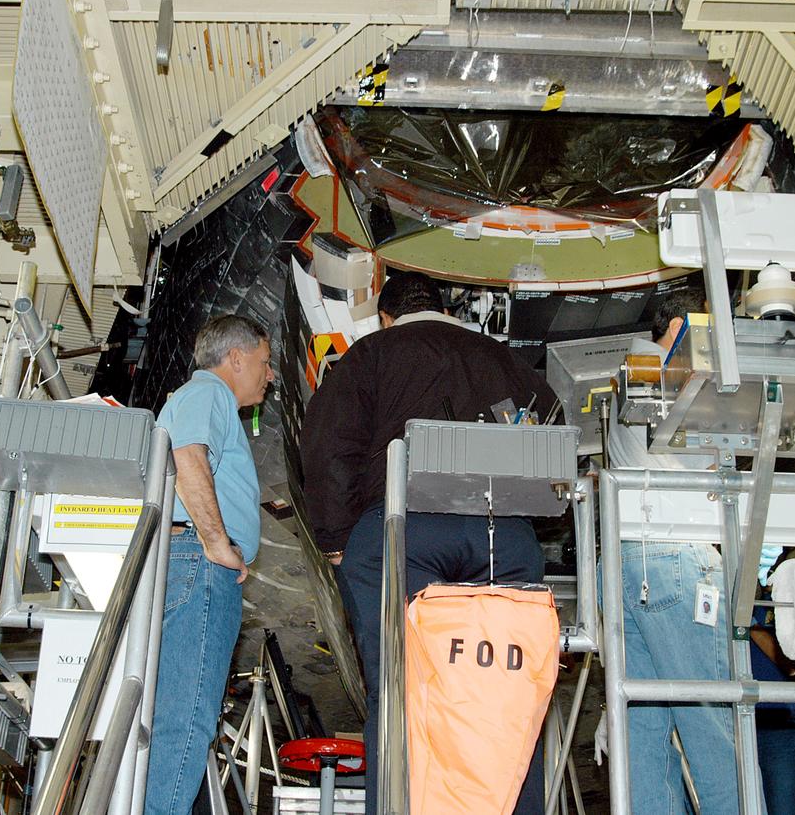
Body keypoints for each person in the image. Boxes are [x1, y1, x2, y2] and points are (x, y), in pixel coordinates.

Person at [300, 271, 555, 815]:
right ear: (442, 308)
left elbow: (328, 444)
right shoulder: (500, 357)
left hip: (403, 529)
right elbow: (553, 439)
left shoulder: (369, 355)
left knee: (399, 692)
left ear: (384, 316)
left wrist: (339, 541)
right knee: (510, 697)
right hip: (500, 534)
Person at [605, 282, 743, 814]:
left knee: (644, 733)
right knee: (711, 721)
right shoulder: (676, 380)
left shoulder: (629, 381)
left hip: (625, 567)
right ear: (683, 328)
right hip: (676, 560)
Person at [143, 315, 274, 815]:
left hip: (186, 562)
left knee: (175, 716)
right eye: (263, 362)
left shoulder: (200, 400)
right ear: (235, 358)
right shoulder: (208, 394)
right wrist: (218, 543)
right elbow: (188, 454)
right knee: (187, 720)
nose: (269, 374)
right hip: (199, 564)